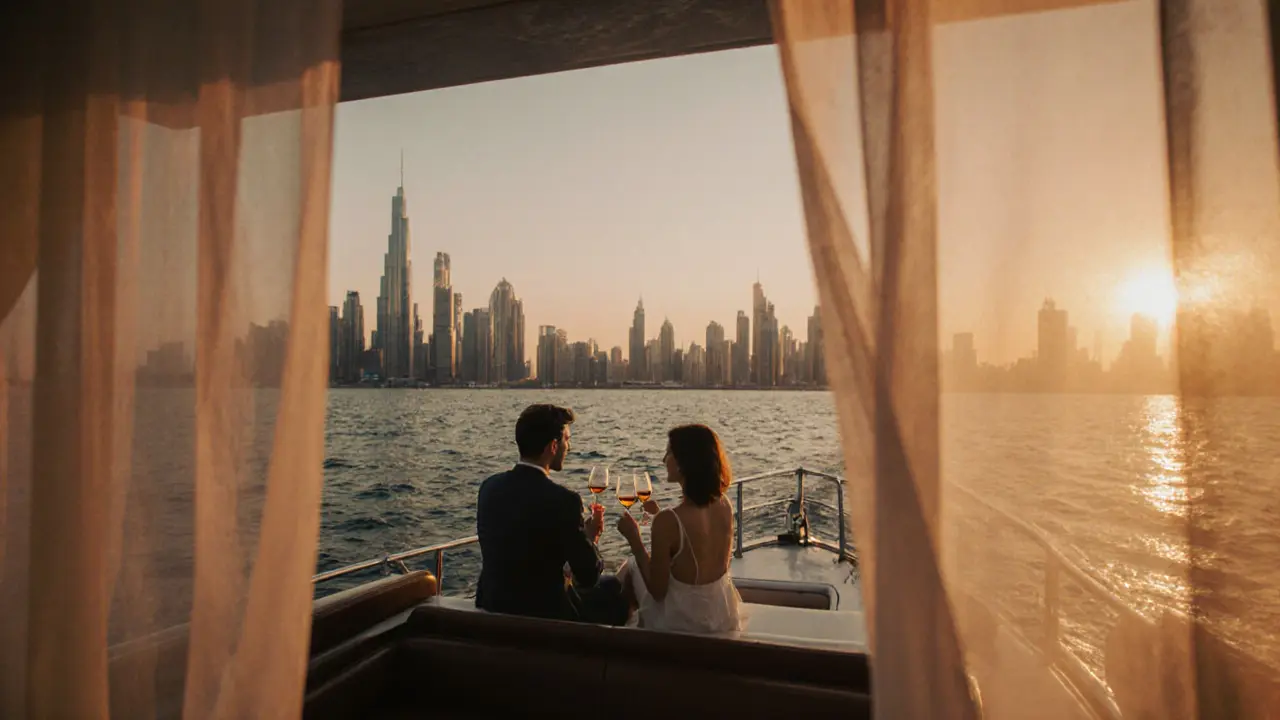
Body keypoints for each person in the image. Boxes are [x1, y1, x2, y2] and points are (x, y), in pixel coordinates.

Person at [476, 403, 627, 625]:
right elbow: (588, 576)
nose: (570, 446)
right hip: (545, 617)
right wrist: (589, 539)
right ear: (553, 446)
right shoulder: (564, 501)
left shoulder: (489, 487)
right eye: (567, 439)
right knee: (617, 588)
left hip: (491, 603)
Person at [615, 424, 742, 634]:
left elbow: (657, 591)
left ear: (684, 462)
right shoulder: (724, 504)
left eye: (669, 453)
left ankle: (627, 638)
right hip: (721, 613)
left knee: (629, 567)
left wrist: (634, 538)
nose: (664, 459)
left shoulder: (668, 520)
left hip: (683, 621)